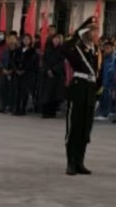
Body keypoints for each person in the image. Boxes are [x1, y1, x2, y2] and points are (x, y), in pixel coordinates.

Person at [62, 17, 101, 175]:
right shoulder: (76, 48)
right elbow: (64, 48)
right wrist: (78, 33)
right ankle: (71, 162)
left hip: (90, 90)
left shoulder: (96, 50)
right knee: (74, 127)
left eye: (96, 30)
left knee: (85, 128)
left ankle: (80, 161)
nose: (95, 33)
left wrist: (98, 93)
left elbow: (98, 73)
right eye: (92, 30)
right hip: (78, 89)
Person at [40, 33, 66, 119]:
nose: (56, 40)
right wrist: (48, 70)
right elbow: (44, 61)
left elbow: (61, 62)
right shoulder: (47, 50)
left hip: (57, 75)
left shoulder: (61, 50)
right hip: (47, 75)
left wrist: (54, 70)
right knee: (47, 93)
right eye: (54, 39)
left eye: (57, 39)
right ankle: (45, 111)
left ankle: (53, 111)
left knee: (55, 93)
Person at [14, 32, 38, 116]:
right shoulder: (18, 50)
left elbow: (32, 63)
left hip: (27, 73)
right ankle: (17, 108)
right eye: (24, 39)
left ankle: (23, 108)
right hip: (17, 73)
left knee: (24, 92)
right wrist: (16, 69)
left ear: (30, 41)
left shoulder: (33, 51)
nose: (26, 41)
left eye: (28, 39)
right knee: (17, 91)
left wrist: (24, 70)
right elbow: (13, 60)